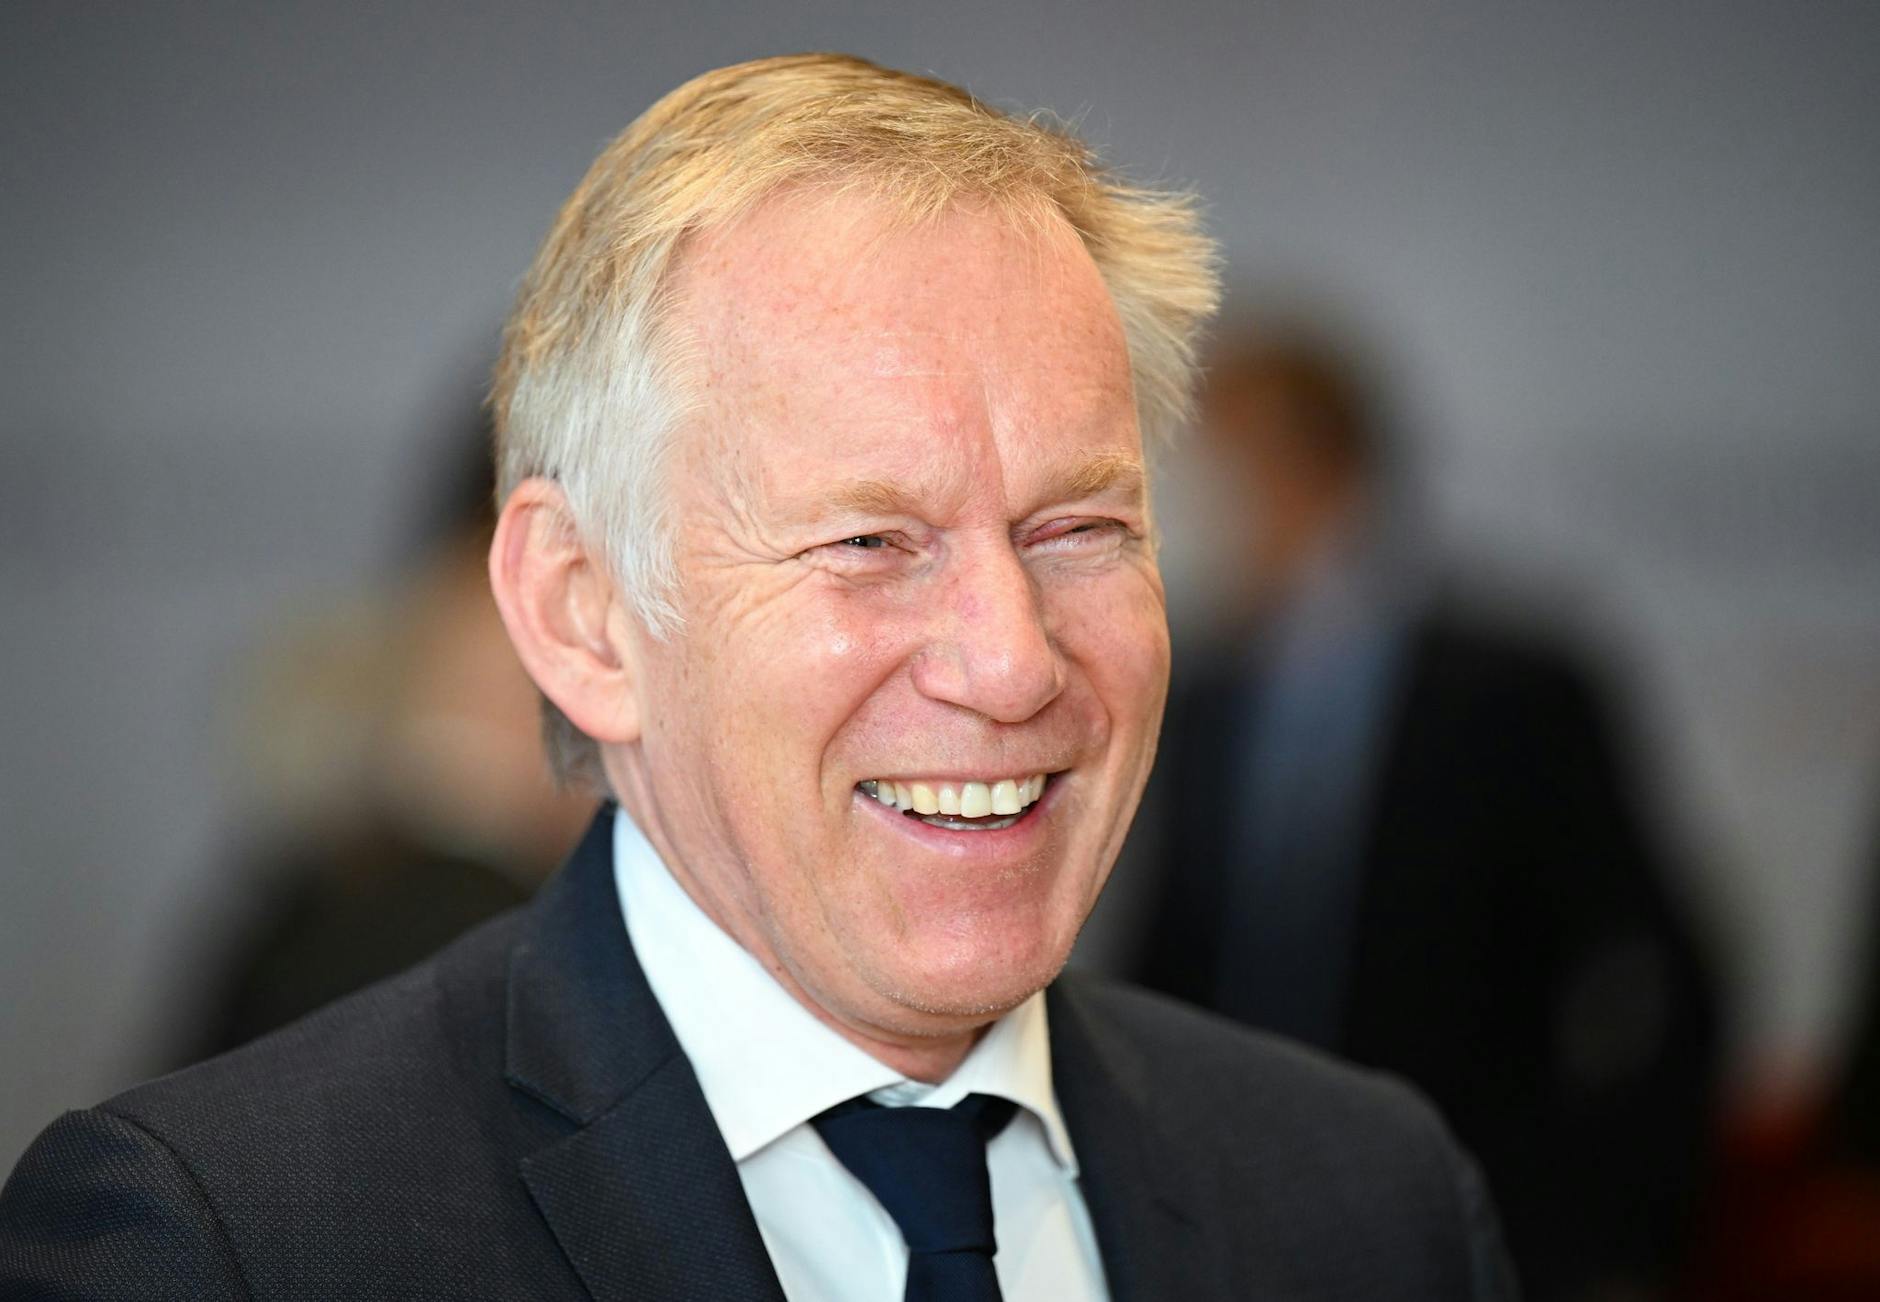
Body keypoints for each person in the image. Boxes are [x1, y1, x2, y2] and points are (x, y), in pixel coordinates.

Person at [0, 55, 1518, 1300]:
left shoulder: (1373, 1206)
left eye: (1078, 529)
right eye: (869, 541)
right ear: (585, 617)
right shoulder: (227, 1245)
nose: (1011, 662)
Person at [1127, 329, 1718, 1300]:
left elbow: (1652, 965)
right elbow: (1173, 957)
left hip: (1469, 1215)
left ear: (1298, 469)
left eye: (1204, 479)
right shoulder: (1203, 695)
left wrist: (1609, 1229)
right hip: (1231, 1214)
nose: (1175, 520)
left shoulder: (1512, 687)